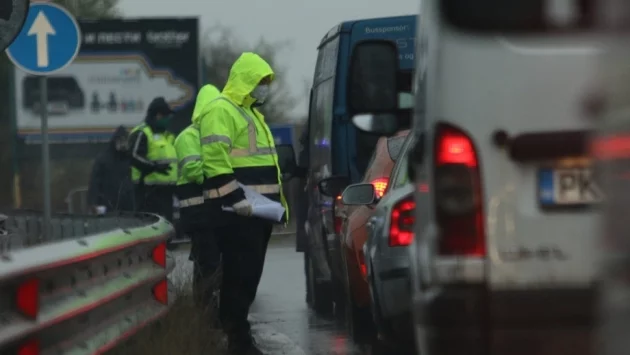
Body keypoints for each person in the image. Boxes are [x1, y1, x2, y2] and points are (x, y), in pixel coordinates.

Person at [198, 52, 287, 355]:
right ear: (245, 79)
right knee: (239, 277)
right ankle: (238, 342)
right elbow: (214, 158)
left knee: (248, 278)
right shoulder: (222, 110)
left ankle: (238, 338)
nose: (263, 87)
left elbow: (268, 167)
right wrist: (235, 198)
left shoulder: (252, 114)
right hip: (237, 213)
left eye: (265, 82)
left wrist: (279, 206)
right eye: (260, 81)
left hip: (257, 212)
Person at [174, 84, 222, 318]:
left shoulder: (216, 134)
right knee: (207, 265)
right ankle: (204, 313)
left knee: (212, 264)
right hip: (198, 215)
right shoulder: (187, 137)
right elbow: (194, 171)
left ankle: (210, 312)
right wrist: (221, 168)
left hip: (214, 214)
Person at [128, 97, 178, 227]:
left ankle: (167, 246)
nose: (168, 119)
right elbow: (134, 156)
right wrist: (154, 167)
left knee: (166, 227)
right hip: (147, 191)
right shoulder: (142, 132)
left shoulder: (167, 135)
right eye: (165, 116)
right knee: (149, 227)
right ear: (157, 115)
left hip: (167, 191)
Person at [87, 126, 135, 214]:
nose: (123, 144)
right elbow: (95, 182)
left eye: (125, 141)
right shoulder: (103, 159)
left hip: (128, 205)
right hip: (108, 204)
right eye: (121, 140)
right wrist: (93, 202)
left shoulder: (130, 159)